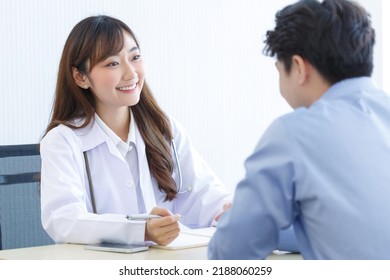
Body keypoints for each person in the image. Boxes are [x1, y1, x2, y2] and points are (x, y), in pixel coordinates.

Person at [208, 0, 390, 259]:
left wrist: (237, 222)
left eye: (279, 71)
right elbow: (351, 228)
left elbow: (230, 253)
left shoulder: (294, 134)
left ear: (299, 68)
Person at [40, 15, 232, 246]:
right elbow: (64, 220)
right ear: (81, 77)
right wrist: (141, 230)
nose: (131, 73)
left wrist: (231, 212)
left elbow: (204, 194)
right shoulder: (63, 141)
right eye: (112, 63)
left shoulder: (165, 129)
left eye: (135, 57)